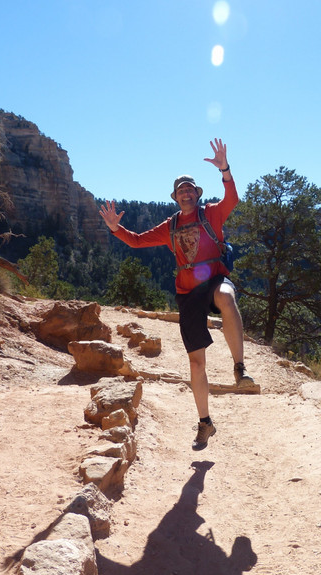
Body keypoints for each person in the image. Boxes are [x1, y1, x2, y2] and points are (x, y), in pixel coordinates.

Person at [99, 138, 255, 451]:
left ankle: (240, 368)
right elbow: (139, 241)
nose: (186, 193)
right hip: (187, 294)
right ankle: (205, 422)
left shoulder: (211, 214)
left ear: (197, 194)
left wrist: (224, 168)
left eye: (190, 189)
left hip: (214, 279)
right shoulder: (170, 226)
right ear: (175, 197)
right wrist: (117, 229)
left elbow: (233, 198)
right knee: (196, 365)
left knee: (226, 297)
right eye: (180, 190)